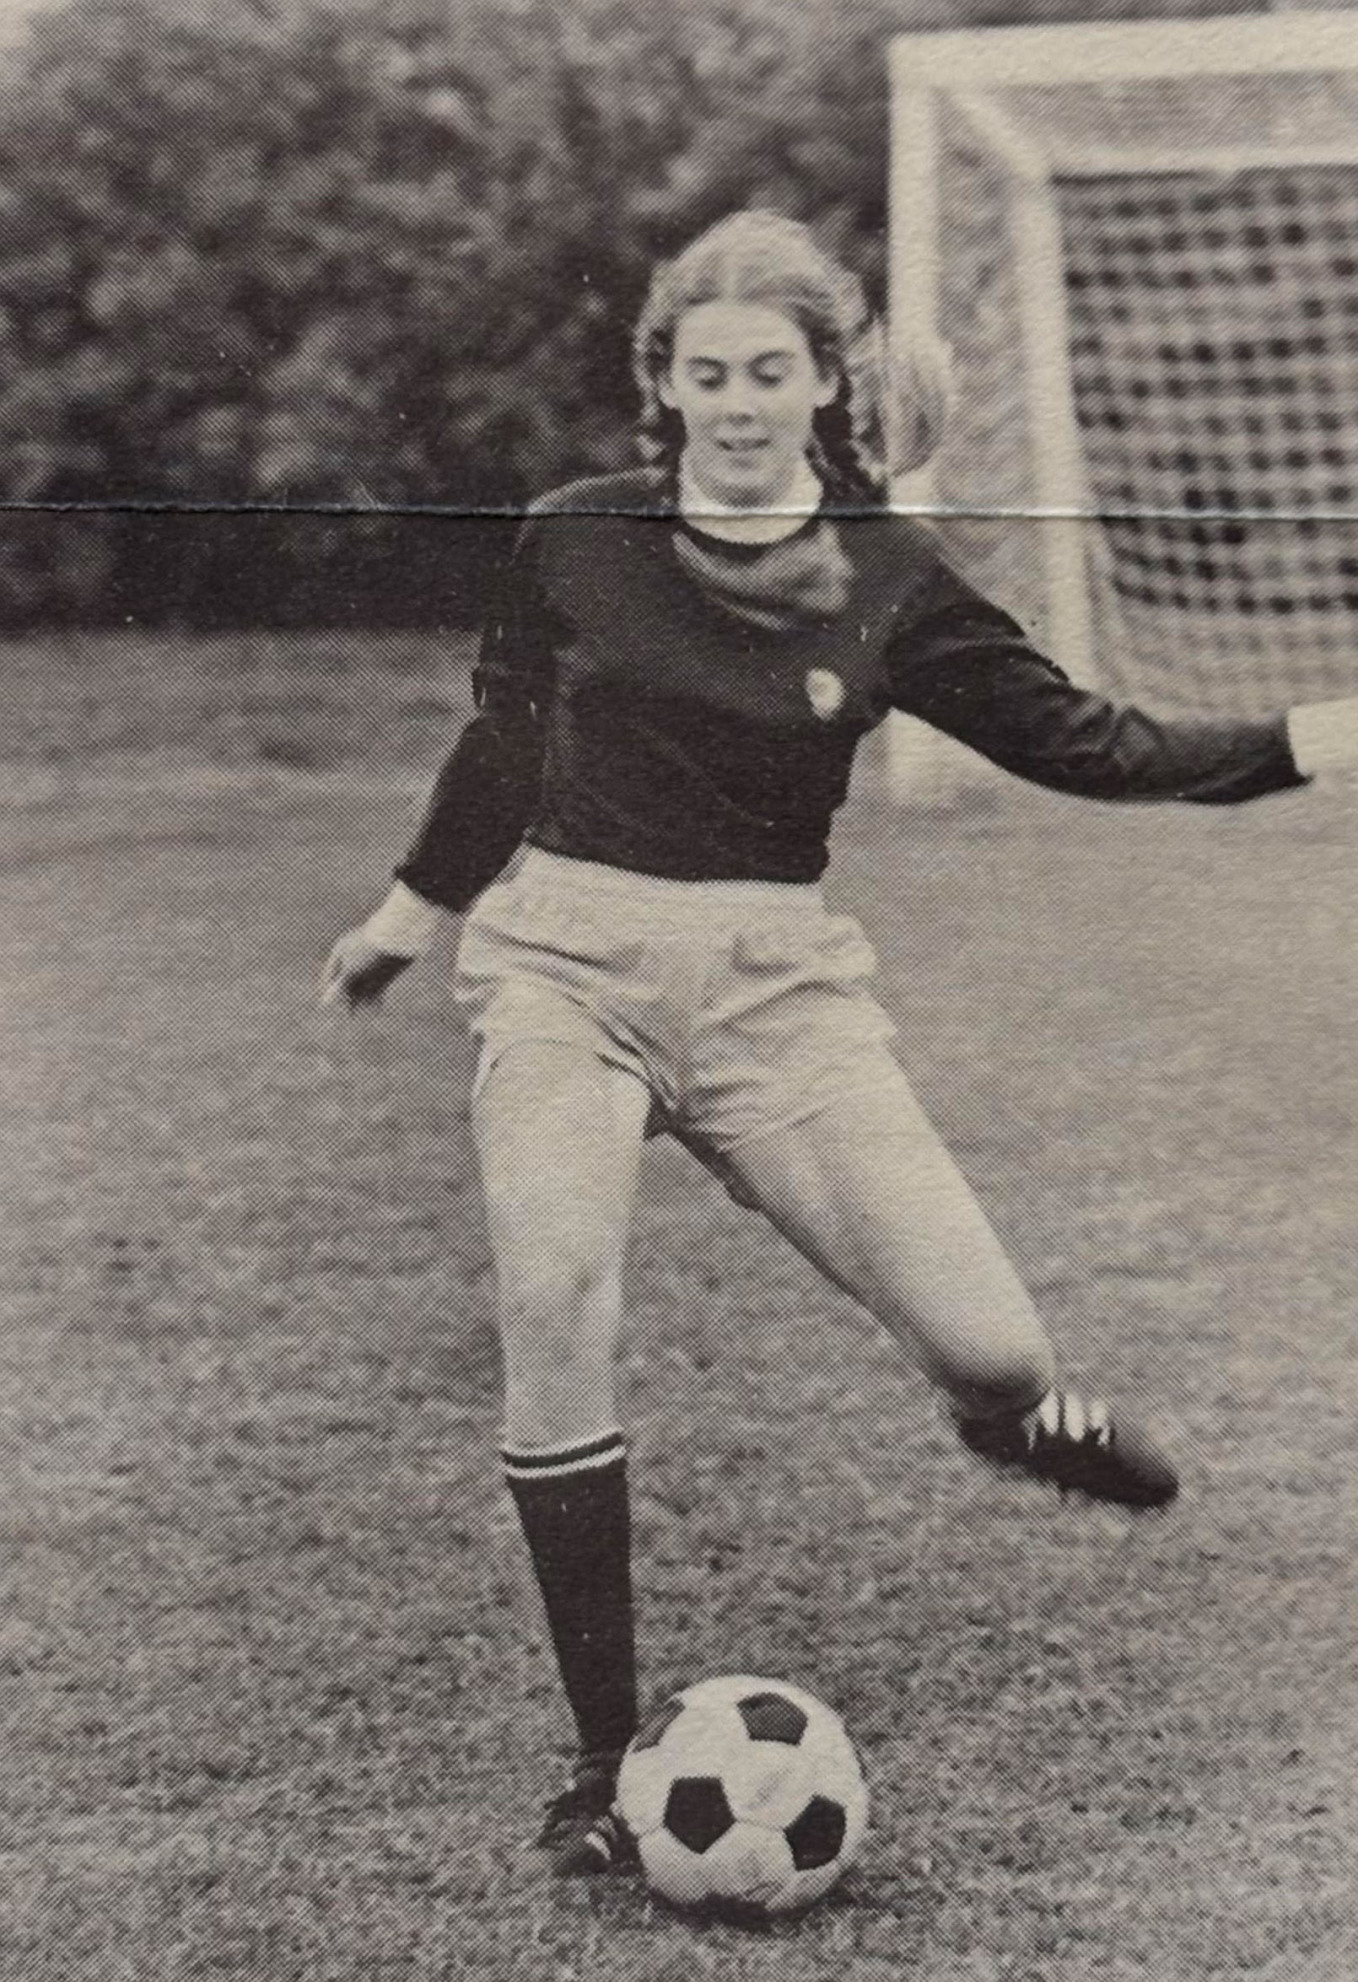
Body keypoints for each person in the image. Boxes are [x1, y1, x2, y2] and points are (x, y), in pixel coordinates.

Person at [322, 210, 1357, 1876]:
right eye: (705, 371)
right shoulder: (572, 536)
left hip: (772, 993)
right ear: (661, 381)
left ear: (823, 387)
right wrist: (406, 912)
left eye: (771, 373)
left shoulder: (888, 581)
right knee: (555, 1295)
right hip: (560, 968)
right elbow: (503, 739)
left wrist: (1324, 733)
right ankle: (601, 1766)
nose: (736, 402)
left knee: (993, 1354)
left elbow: (1094, 746)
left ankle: (1014, 1424)